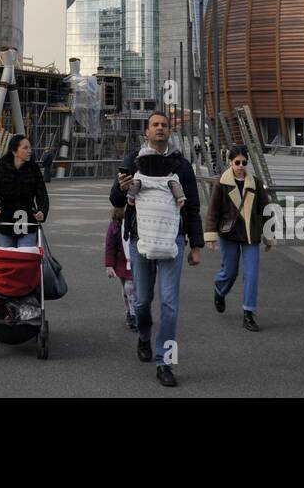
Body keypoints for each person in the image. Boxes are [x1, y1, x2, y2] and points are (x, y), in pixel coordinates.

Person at [109, 111, 203, 387]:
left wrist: (196, 245)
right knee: (141, 301)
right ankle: (144, 336)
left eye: (164, 125)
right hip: (140, 239)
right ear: (147, 130)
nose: (160, 128)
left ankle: (166, 362)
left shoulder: (182, 166)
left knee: (170, 304)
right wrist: (120, 186)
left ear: (169, 130)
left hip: (173, 239)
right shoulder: (133, 161)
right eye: (155, 125)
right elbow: (116, 198)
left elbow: (193, 206)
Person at [204, 146, 271, 331]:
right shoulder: (221, 183)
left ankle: (248, 313)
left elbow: (265, 209)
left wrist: (270, 236)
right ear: (230, 162)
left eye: (244, 163)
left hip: (251, 235)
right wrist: (210, 236)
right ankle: (220, 289)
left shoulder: (255, 183)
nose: (241, 166)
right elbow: (213, 211)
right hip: (229, 234)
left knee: (251, 274)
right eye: (237, 163)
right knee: (230, 272)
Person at [0, 134, 48, 248]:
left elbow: (42, 195)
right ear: (14, 151)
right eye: (25, 148)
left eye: (30, 147)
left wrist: (42, 211)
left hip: (28, 221)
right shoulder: (0, 168)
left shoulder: (34, 169)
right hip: (5, 221)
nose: (29, 151)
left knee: (25, 259)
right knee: (6, 260)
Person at [104, 206, 136, 329]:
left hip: (137, 261)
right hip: (121, 263)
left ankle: (136, 313)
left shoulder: (138, 221)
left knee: (132, 288)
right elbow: (110, 246)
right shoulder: (115, 225)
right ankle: (130, 312)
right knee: (127, 290)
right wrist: (109, 265)